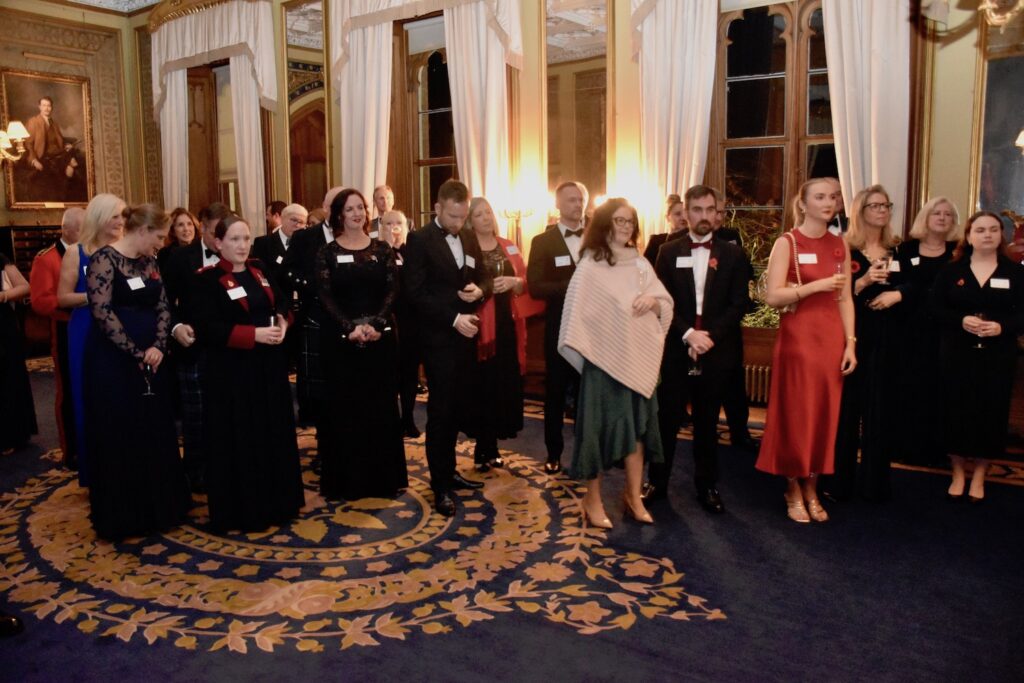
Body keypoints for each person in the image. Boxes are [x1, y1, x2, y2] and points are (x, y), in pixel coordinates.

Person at [558, 197, 673, 528]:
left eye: (630, 222)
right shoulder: (590, 265)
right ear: (605, 224)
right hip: (602, 364)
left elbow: (665, 301)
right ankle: (592, 500)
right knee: (595, 433)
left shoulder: (640, 264)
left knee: (637, 431)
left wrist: (653, 301)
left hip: (638, 361)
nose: (625, 227)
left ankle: (633, 496)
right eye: (619, 221)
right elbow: (577, 318)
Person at [190, 216, 304, 530]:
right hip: (232, 373)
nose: (242, 245)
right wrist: (252, 336)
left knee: (272, 432)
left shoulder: (259, 269)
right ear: (218, 244)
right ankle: (245, 508)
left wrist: (282, 322)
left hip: (268, 369)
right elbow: (207, 328)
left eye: (246, 238)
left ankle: (278, 502)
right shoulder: (206, 279)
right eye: (235, 240)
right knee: (241, 436)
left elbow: (282, 303)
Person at [83, 204, 190, 540]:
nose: (160, 243)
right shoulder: (104, 258)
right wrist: (135, 352)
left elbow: (163, 305)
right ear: (142, 231)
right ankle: (127, 514)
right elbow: (102, 312)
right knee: (121, 429)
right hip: (113, 359)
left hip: (153, 357)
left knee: (155, 427)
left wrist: (158, 345)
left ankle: (161, 507)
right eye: (158, 237)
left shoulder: (150, 261)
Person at [755, 178, 856, 523]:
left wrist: (851, 344)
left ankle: (813, 485)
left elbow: (846, 299)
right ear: (803, 203)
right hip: (799, 340)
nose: (828, 202)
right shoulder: (789, 243)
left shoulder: (840, 243)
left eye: (833, 196)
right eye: (820, 196)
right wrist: (817, 286)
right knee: (798, 416)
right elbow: (772, 297)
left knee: (825, 416)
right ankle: (793, 487)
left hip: (831, 341)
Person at [645, 185, 750, 514]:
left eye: (710, 210)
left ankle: (707, 486)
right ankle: (658, 482)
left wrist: (708, 338)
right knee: (667, 420)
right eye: (697, 210)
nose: (704, 216)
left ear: (717, 213)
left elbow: (738, 305)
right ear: (686, 213)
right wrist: (688, 334)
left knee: (707, 423)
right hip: (677, 349)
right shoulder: (667, 252)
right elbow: (661, 303)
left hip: (717, 351)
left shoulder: (733, 254)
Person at [403, 179, 488, 516]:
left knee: (457, 408)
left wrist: (479, 292)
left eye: (462, 216)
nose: (457, 223)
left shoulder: (467, 235)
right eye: (452, 216)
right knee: (440, 411)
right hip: (438, 339)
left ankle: (450, 470)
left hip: (466, 338)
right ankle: (439, 484)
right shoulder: (419, 239)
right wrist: (454, 318)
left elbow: (482, 275)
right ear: (438, 208)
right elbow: (415, 292)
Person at [316, 189, 408, 500]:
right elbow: (325, 297)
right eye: (350, 208)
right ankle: (346, 482)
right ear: (339, 215)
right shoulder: (326, 253)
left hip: (379, 340)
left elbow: (393, 290)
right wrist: (349, 329)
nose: (357, 213)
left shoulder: (382, 249)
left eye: (361, 207)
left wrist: (378, 324)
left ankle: (382, 480)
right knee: (345, 410)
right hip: (341, 344)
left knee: (379, 408)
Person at [930, 211, 1024, 503]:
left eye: (993, 230)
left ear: (1001, 235)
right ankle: (958, 472)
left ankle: (980, 474)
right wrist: (960, 321)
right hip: (957, 353)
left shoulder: (1015, 273)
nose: (987, 235)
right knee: (955, 409)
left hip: (998, 355)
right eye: (980, 230)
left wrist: (1002, 327)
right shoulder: (951, 271)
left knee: (991, 412)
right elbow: (934, 309)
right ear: (968, 236)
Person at [830, 185, 903, 502]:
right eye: (875, 205)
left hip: (889, 341)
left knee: (881, 413)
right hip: (853, 338)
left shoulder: (899, 250)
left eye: (886, 205)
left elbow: (917, 288)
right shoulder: (844, 250)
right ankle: (839, 483)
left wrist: (897, 294)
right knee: (847, 414)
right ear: (860, 211)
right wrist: (863, 283)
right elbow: (834, 297)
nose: (882, 210)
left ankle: (875, 485)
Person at [464, 197, 543, 471]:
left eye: (488, 212)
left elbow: (526, 282)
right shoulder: (466, 247)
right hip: (477, 326)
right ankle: (481, 446)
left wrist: (515, 282)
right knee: (480, 386)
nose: (486, 217)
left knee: (502, 385)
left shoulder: (508, 245)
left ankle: (493, 446)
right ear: (469, 220)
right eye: (478, 214)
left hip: (507, 325)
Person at [163, 202, 234, 492]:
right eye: (214, 230)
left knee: (230, 410)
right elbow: (163, 300)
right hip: (194, 347)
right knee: (197, 415)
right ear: (202, 227)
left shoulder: (237, 254)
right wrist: (176, 327)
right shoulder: (180, 259)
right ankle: (196, 472)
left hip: (231, 347)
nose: (220, 237)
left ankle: (229, 466)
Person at [57, 193, 125, 485]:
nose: (121, 222)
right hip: (86, 329)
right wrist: (95, 297)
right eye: (115, 216)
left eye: (124, 216)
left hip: (122, 328)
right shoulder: (77, 252)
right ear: (99, 217)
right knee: (89, 396)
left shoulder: (127, 249)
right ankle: (95, 471)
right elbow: (62, 297)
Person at [893, 197, 961, 466]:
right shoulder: (905, 249)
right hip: (908, 331)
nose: (942, 218)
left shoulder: (959, 251)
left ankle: (936, 449)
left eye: (948, 214)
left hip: (945, 332)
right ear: (925, 217)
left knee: (940, 390)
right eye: (937, 213)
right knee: (908, 387)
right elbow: (896, 284)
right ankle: (904, 446)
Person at [527, 180, 588, 473]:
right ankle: (553, 453)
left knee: (588, 394)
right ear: (558, 205)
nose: (577, 205)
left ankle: (588, 453)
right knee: (555, 392)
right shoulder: (543, 241)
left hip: (593, 331)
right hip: (559, 328)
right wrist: (572, 286)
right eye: (571, 200)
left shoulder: (598, 239)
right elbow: (536, 287)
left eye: (580, 200)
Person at [281, 187, 344, 429]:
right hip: (316, 316)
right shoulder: (304, 237)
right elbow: (287, 272)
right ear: (325, 208)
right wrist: (311, 284)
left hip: (348, 318)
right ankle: (323, 443)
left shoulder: (357, 236)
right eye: (334, 206)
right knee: (319, 385)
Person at [29, 207, 83, 466]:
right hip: (64, 328)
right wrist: (72, 304)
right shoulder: (47, 258)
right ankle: (71, 449)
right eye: (83, 227)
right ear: (68, 229)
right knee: (69, 390)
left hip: (89, 327)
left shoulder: (90, 252)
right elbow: (40, 301)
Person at [711, 192, 759, 452]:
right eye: (713, 211)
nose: (717, 217)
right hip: (696, 330)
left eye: (721, 212)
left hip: (728, 326)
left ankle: (739, 432)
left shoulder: (732, 238)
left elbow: (746, 274)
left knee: (734, 387)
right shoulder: (677, 243)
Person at [380, 209, 423, 437]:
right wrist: (387, 248)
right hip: (387, 321)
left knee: (409, 373)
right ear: (381, 226)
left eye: (398, 223)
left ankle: (408, 417)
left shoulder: (413, 251)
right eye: (388, 223)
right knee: (389, 374)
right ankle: (390, 419)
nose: (394, 227)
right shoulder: (377, 251)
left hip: (411, 322)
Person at [0, 254, 37, 452]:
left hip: (2, 326)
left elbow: (25, 287)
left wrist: (3, 296)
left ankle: (12, 433)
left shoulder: (1, 259)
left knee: (8, 376)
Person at [23, 95, 82, 203]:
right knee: (69, 165)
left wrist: (66, 145)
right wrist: (34, 160)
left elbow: (59, 141)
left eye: (49, 106)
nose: (46, 108)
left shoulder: (54, 124)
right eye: (44, 105)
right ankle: (70, 162)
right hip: (45, 157)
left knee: (72, 151)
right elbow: (28, 144)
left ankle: (69, 164)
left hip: (58, 154)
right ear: (39, 107)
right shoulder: (33, 122)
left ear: (52, 108)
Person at [252, 203, 307, 281]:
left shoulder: (307, 244)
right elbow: (259, 274)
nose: (297, 225)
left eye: (301, 222)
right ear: (282, 219)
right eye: (294, 220)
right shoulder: (263, 243)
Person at [643, 193, 688, 266]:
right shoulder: (655, 241)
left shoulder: (692, 241)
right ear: (667, 217)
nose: (683, 218)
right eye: (678, 214)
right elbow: (644, 269)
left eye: (685, 214)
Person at [157, 208, 199, 272]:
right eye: (180, 225)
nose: (186, 229)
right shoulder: (164, 254)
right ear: (172, 231)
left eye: (189, 224)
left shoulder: (203, 250)